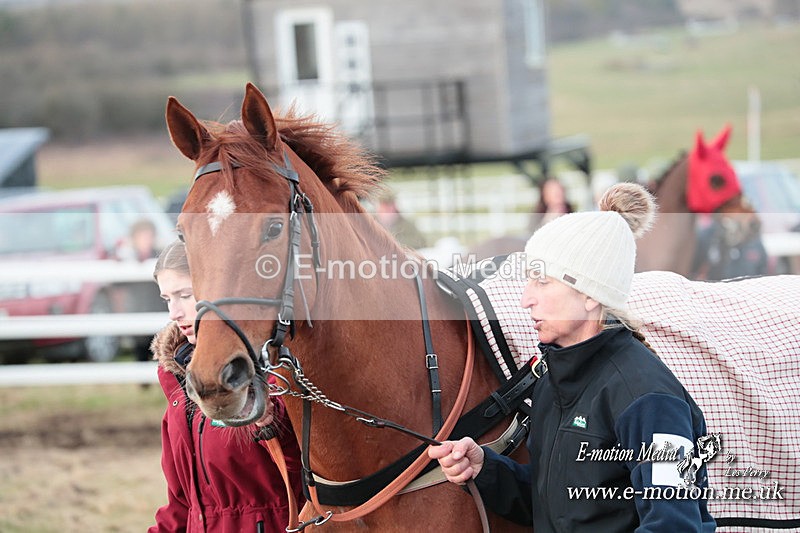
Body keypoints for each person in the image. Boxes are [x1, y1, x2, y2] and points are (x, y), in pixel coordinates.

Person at [429, 183, 716, 532]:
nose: (525, 299)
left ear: (590, 294)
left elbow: (674, 525)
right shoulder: (553, 381)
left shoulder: (649, 399)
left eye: (542, 282)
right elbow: (558, 506)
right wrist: (485, 469)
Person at [149, 240, 305, 532]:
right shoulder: (177, 380)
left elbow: (304, 473)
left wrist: (272, 422)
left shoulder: (273, 366)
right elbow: (182, 505)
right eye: (167, 299)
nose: (174, 312)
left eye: (185, 295)